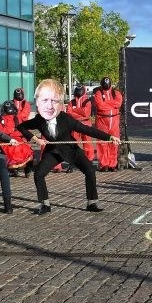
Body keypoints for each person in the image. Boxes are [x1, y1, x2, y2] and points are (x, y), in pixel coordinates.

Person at [17, 78, 121, 215]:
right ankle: (45, 204)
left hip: (70, 149)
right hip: (53, 151)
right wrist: (35, 139)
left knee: (90, 170)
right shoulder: (39, 120)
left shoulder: (65, 119)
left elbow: (87, 130)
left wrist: (109, 137)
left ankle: (92, 202)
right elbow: (21, 127)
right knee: (38, 175)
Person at [0, 100, 36, 177]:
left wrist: (14, 132)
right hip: (5, 140)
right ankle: (13, 169)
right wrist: (12, 131)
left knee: (26, 148)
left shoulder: (17, 118)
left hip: (17, 139)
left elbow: (21, 130)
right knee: (14, 149)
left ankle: (25, 169)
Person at [92, 76, 123, 171]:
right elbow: (100, 106)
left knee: (114, 143)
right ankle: (103, 164)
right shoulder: (98, 93)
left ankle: (112, 164)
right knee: (102, 143)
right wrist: (112, 105)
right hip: (102, 121)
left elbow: (118, 104)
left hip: (114, 121)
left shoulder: (116, 93)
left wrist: (107, 104)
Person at [65, 85, 98, 167]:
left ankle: (89, 160)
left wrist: (75, 110)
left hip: (85, 124)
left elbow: (86, 113)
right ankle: (71, 162)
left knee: (87, 144)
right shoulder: (71, 102)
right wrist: (81, 113)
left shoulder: (87, 101)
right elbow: (69, 113)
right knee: (73, 143)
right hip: (75, 125)